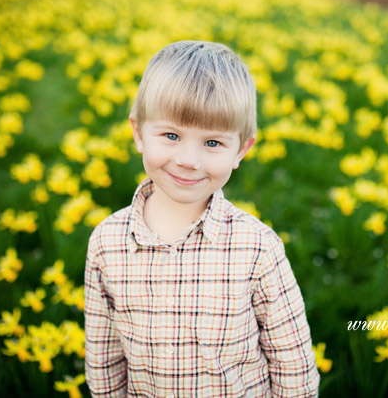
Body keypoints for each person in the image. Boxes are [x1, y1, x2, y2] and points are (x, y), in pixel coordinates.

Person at [84, 41, 320, 397]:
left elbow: (293, 365)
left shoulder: (257, 248)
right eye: (171, 135)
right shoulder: (107, 243)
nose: (189, 160)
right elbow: (104, 361)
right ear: (138, 133)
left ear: (241, 149)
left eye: (212, 143)